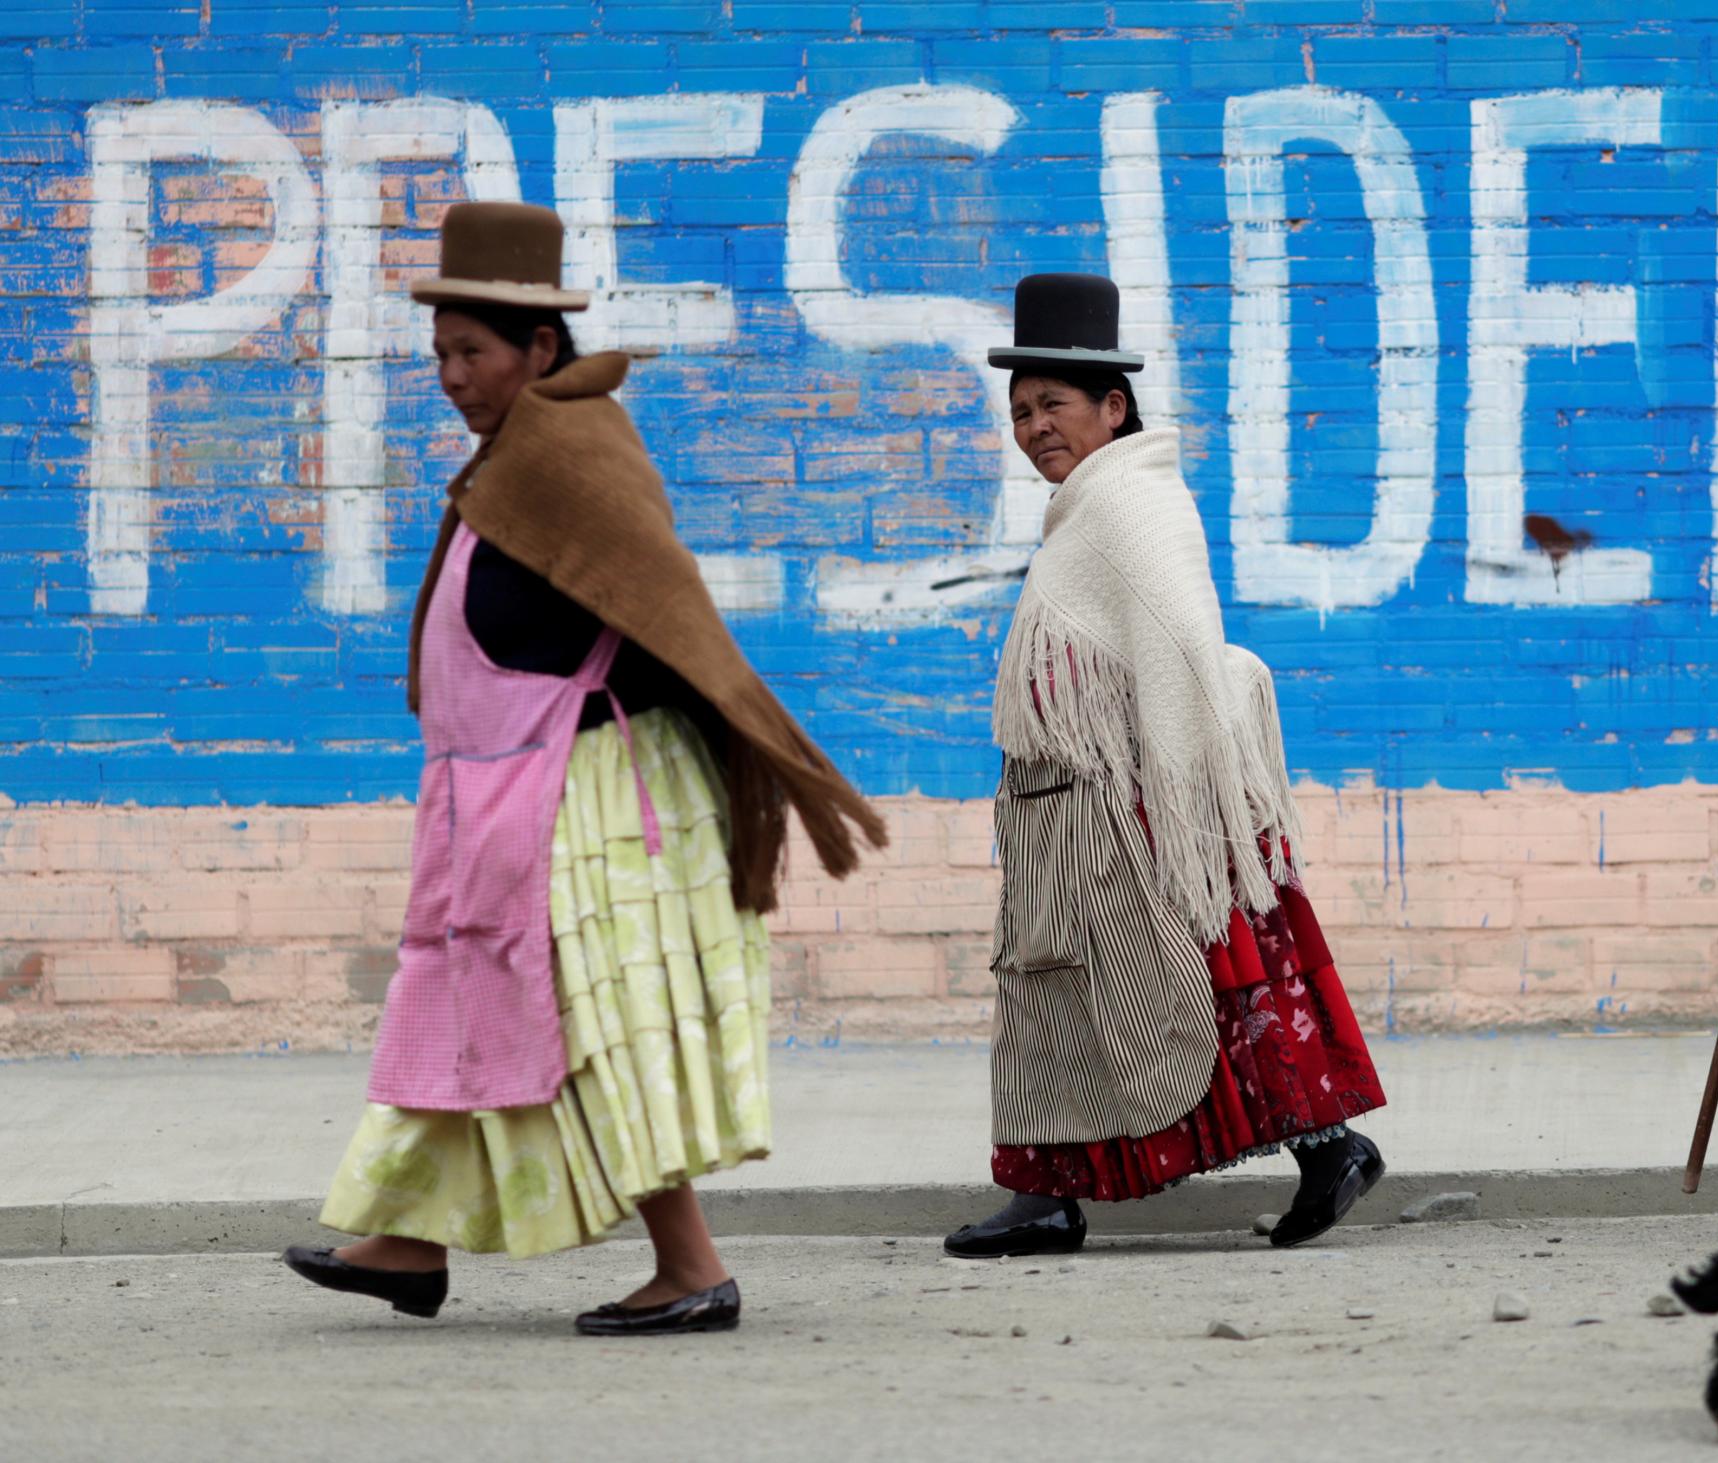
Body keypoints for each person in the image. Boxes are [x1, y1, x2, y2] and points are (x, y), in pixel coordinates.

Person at [281, 202, 887, 1333]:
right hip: (513, 786)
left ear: (539, 351)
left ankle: (692, 1267)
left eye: (472, 354)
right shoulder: (511, 456)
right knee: (473, 996)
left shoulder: (567, 447)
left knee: (593, 1022)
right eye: (442, 355)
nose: (452, 376)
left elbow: (659, 611)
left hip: (600, 794)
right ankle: (408, 1242)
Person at [942, 274, 1388, 1259]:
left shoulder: (1131, 502)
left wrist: (1178, 808)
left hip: (1132, 804)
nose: (1033, 426)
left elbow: (1183, 646)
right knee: (1066, 996)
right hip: (1078, 803)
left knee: (1170, 990)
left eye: (1052, 403)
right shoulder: (1091, 504)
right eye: (1019, 410)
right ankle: (1050, 1191)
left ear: (1111, 406)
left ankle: (1321, 1146)